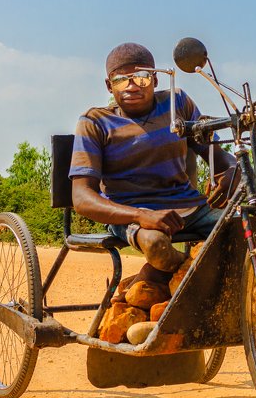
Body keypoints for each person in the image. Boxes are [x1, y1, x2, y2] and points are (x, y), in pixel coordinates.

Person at [69, 42, 239, 296]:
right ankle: (179, 280)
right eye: (121, 80)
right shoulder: (95, 122)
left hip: (192, 208)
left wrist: (232, 172)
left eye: (142, 77)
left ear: (156, 79)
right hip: (130, 215)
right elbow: (82, 198)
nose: (132, 86)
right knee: (157, 246)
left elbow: (217, 155)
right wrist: (141, 215)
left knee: (252, 226)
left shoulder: (177, 103)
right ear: (109, 86)